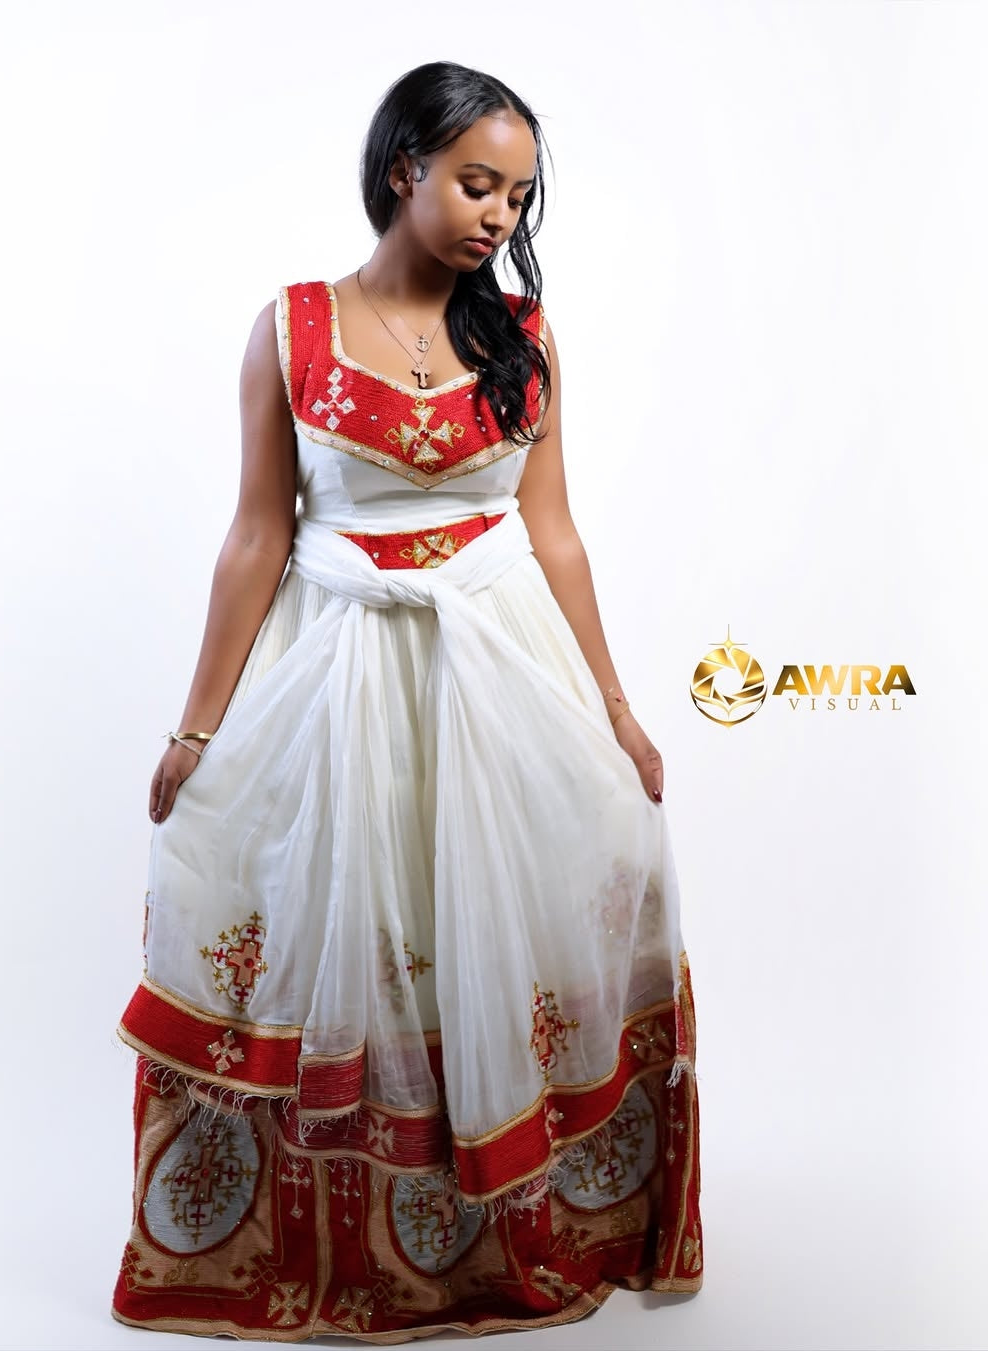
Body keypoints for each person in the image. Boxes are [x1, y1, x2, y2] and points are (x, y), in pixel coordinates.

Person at [111, 59, 703, 1343]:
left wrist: (616, 706)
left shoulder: (526, 339)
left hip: (504, 675)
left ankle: (505, 1238)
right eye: (477, 184)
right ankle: (344, 1260)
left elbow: (553, 536)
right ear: (404, 171)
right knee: (356, 934)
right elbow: (257, 538)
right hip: (340, 677)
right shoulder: (292, 326)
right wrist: (196, 729)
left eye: (519, 197)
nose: (499, 217)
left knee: (504, 923)